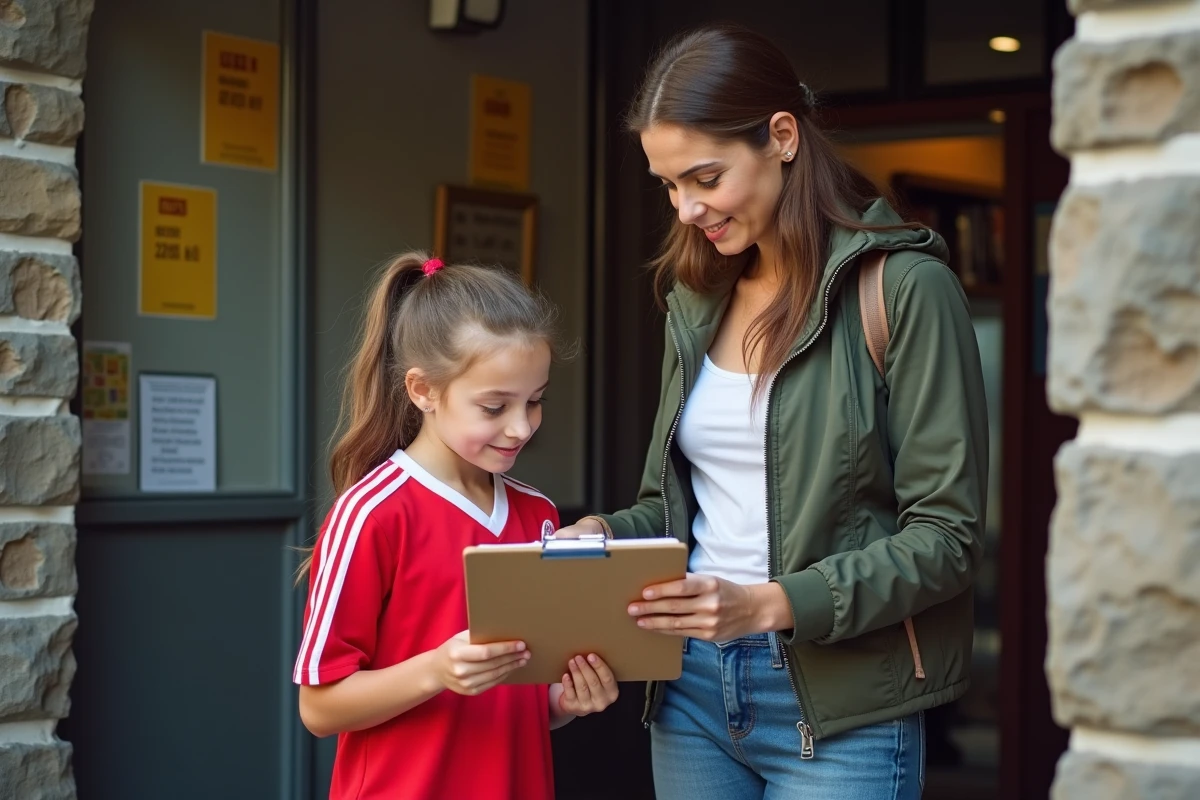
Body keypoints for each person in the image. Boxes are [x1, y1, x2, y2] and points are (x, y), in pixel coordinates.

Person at [556, 23, 989, 800]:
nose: (686, 208)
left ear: (782, 137)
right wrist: (605, 534)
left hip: (843, 702)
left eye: (705, 178)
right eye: (668, 185)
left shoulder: (906, 289)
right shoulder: (696, 300)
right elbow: (674, 505)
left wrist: (769, 603)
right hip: (688, 687)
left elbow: (947, 540)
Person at [293, 253, 619, 800]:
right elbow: (319, 708)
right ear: (423, 391)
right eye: (494, 407)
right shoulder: (371, 513)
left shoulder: (538, 516)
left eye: (535, 401)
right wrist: (438, 670)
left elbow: (519, 702)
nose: (521, 427)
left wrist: (565, 702)